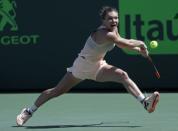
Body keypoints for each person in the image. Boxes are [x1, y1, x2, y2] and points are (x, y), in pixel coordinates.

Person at [16, 6, 160, 126]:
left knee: (122, 75)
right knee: (57, 91)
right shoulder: (104, 33)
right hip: (82, 66)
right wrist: (141, 44)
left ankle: (145, 103)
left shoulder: (114, 31)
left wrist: (139, 51)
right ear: (103, 20)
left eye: (116, 18)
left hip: (99, 66)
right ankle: (28, 111)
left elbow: (121, 43)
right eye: (110, 18)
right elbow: (125, 43)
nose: (114, 20)